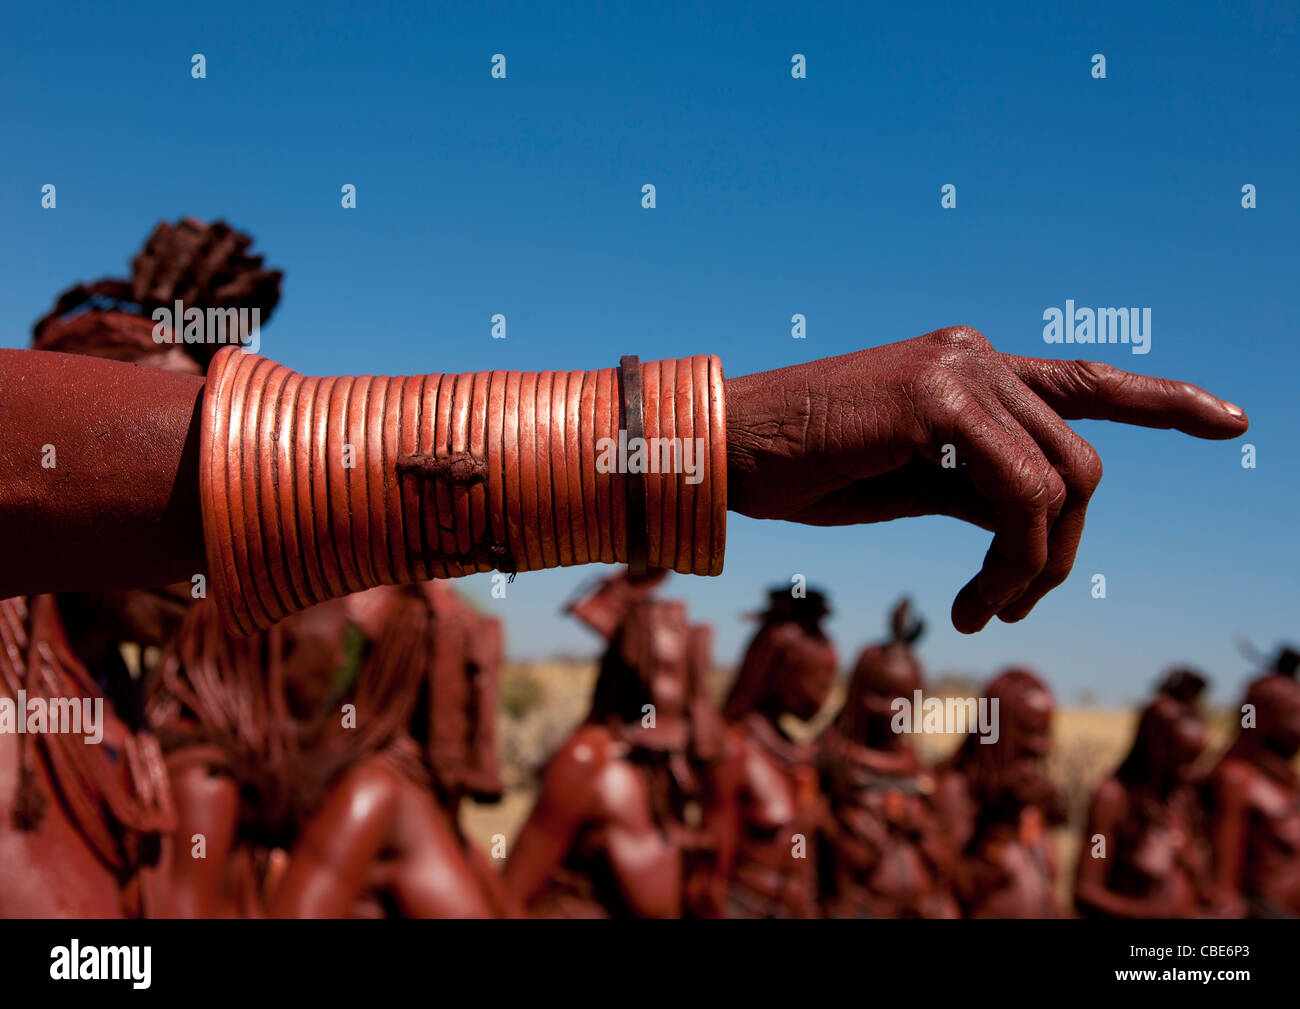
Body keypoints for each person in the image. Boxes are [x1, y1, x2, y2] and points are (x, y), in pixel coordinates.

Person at [503, 570, 723, 916]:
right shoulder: (586, 761)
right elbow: (510, 898)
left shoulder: (668, 770)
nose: (678, 686)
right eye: (665, 667)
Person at [818, 599, 958, 918]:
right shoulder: (836, 761)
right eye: (882, 696)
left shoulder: (921, 772)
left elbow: (946, 860)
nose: (894, 711)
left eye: (905, 700)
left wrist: (919, 829)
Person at [706, 589, 837, 917]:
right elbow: (709, 875)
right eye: (818, 683)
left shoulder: (801, 755)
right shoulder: (735, 751)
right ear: (778, 673)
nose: (825, 696)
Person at [1074, 669, 1222, 918]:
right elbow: (1086, 892)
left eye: (1196, 761)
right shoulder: (1113, 799)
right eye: (1181, 762)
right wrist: (1150, 913)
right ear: (1155, 751)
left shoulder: (1183, 802)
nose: (1191, 773)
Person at [936, 668, 1064, 917]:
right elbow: (953, 888)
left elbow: (1046, 886)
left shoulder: (1031, 798)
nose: (1040, 745)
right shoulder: (958, 791)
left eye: (1044, 731)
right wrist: (1000, 827)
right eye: (1028, 730)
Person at [1205, 649, 1300, 917]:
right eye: (1294, 712)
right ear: (1266, 717)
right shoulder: (1236, 780)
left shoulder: (1288, 781)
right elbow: (1225, 888)